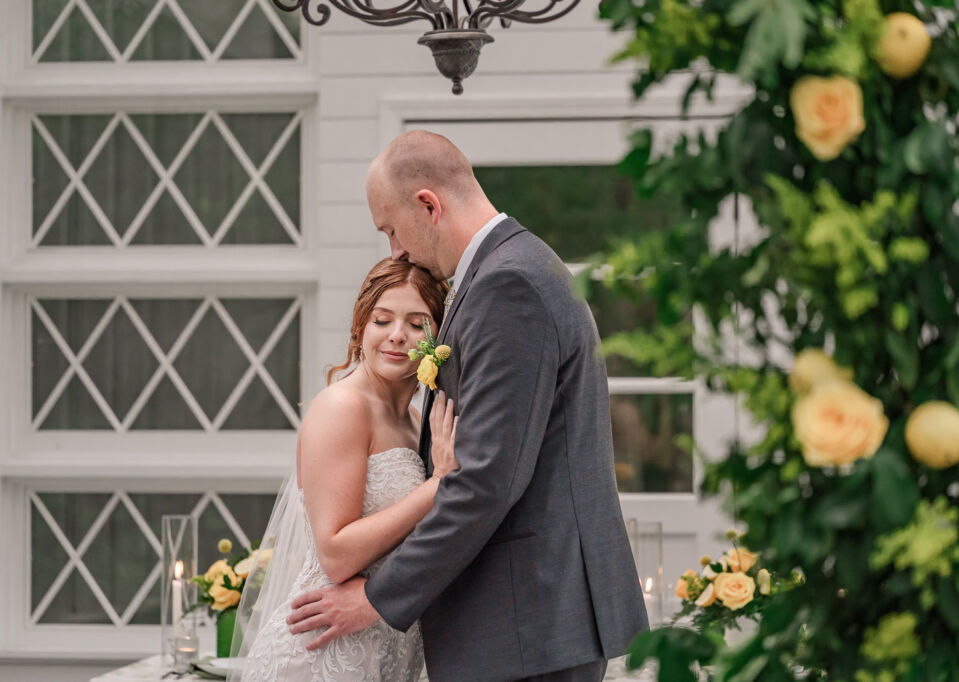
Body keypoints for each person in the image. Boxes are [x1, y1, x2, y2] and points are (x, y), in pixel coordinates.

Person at [286, 131, 648, 681]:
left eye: (391, 229)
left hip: (526, 624)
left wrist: (378, 598)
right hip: (531, 623)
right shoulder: (517, 267)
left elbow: (486, 480)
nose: (395, 251)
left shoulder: (509, 286)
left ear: (428, 205)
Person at [231, 258, 458, 682]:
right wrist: (437, 486)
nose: (396, 335)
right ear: (360, 329)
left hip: (385, 649)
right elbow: (335, 555)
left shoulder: (415, 421)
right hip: (320, 653)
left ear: (437, 337)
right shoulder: (342, 407)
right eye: (382, 320)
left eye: (416, 322)